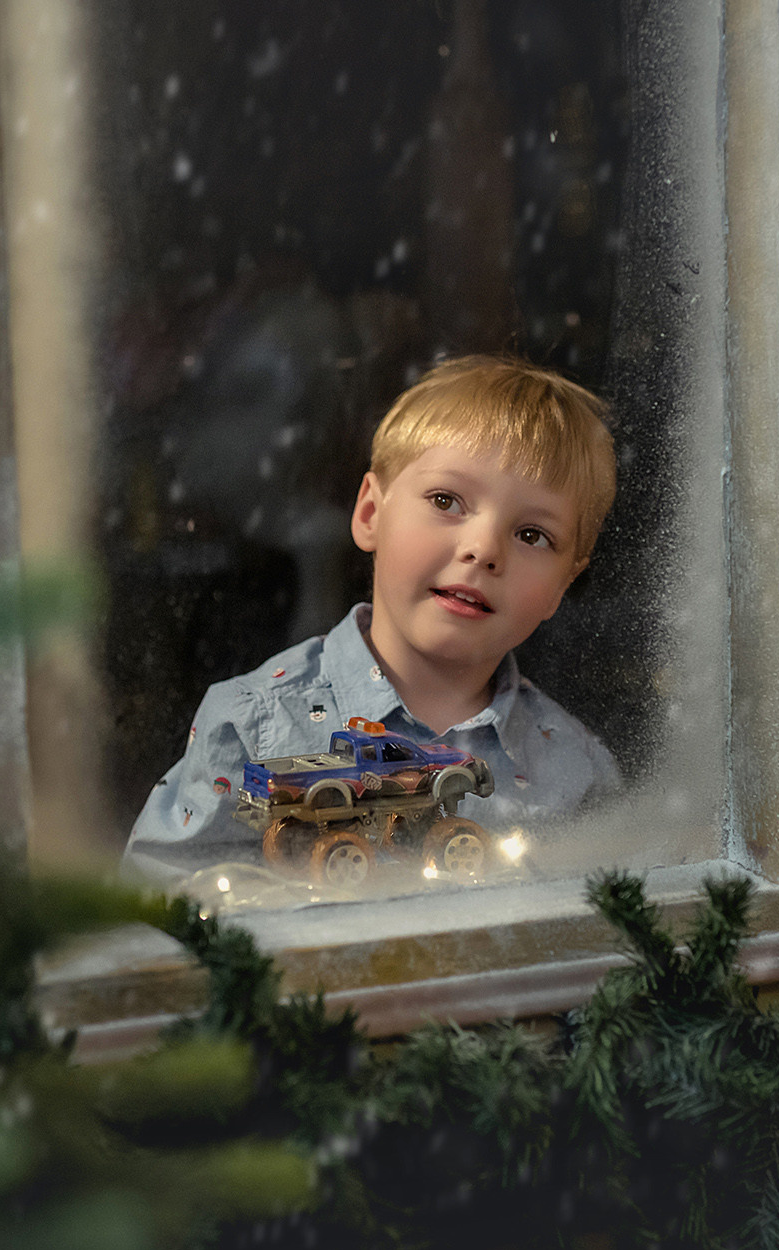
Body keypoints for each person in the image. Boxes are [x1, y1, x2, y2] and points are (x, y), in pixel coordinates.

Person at [122, 354, 621, 884]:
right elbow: (157, 913)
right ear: (369, 515)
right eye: (446, 500)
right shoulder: (253, 726)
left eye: (531, 535)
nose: (483, 549)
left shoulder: (578, 771)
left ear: (562, 588)